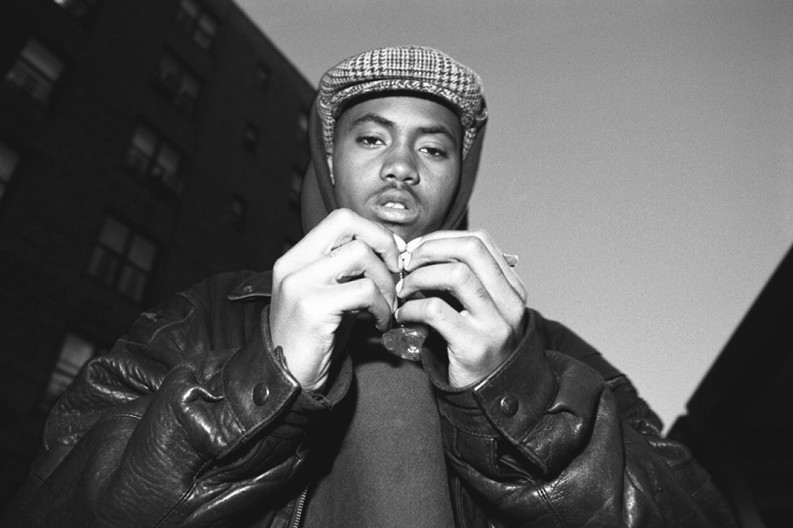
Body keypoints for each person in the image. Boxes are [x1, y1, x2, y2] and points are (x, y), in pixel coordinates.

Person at [3, 46, 736, 527]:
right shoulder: (204, 315)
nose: (401, 164)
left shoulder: (548, 350)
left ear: (459, 177)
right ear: (328, 165)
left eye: (433, 145)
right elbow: (51, 506)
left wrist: (518, 394)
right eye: (371, 136)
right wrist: (268, 380)